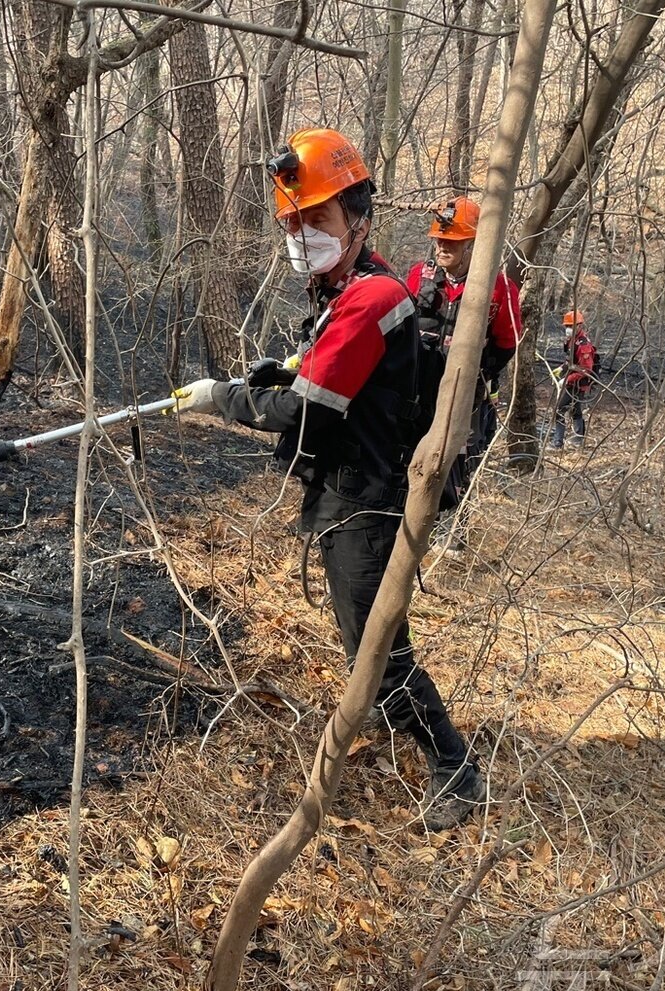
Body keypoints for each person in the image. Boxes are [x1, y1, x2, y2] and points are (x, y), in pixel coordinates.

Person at [170, 128, 483, 830]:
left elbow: (306, 417)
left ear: (358, 216)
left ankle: (455, 770)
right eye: (293, 222)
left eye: (317, 219)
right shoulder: (350, 288)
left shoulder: (369, 298)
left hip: (368, 496)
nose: (303, 234)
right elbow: (331, 377)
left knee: (377, 646)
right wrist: (282, 370)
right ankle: (378, 715)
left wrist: (222, 399)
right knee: (364, 637)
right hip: (357, 485)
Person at [405, 197, 522, 523]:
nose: (442, 247)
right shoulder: (418, 276)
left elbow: (507, 342)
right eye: (440, 240)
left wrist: (476, 374)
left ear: (473, 245)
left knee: (459, 462)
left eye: (452, 242)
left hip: (466, 397)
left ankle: (452, 529)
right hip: (419, 389)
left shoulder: (499, 289)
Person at [550, 309, 597, 449]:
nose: (568, 329)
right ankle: (579, 438)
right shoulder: (572, 341)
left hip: (579, 383)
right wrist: (561, 369)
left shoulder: (583, 345)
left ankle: (557, 442)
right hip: (572, 379)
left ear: (579, 326)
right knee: (575, 409)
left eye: (571, 326)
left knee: (559, 410)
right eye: (567, 326)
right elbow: (571, 361)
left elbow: (585, 370)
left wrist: (566, 380)